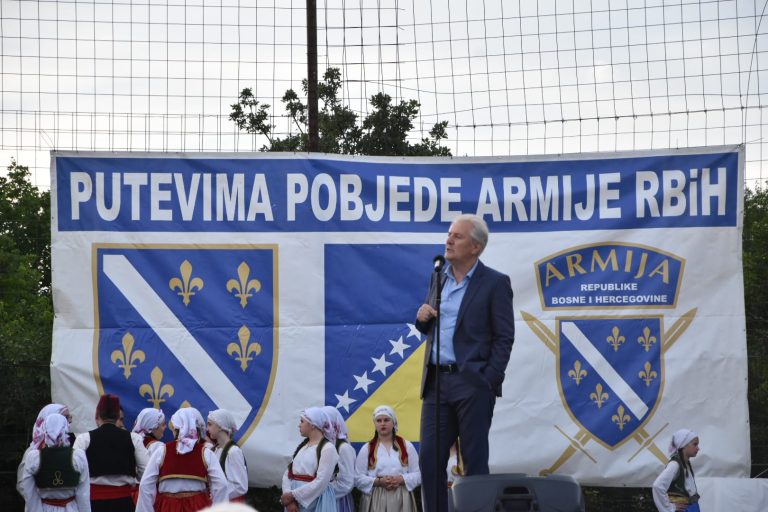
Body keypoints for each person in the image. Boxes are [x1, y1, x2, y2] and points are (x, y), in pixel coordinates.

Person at [415, 213, 515, 512]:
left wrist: (489, 379)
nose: (448, 240)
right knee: (430, 459)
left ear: (476, 247)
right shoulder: (438, 277)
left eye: (457, 236)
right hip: (436, 383)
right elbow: (431, 325)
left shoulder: (495, 283)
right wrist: (421, 320)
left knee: (473, 460)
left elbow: (504, 337)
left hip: (473, 383)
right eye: (449, 234)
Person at [136, 407, 229, 512]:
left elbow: (145, 485)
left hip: (168, 506)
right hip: (198, 506)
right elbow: (222, 486)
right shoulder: (206, 452)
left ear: (177, 429)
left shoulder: (162, 451)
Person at [73, 393, 149, 512]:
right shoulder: (134, 439)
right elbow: (145, 470)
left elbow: (75, 471)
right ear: (118, 416)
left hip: (93, 504)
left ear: (97, 416)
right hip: (123, 503)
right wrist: (133, 479)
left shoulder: (84, 439)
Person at [354, 405, 421, 512]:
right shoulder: (367, 448)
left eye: (386, 420)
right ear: (375, 424)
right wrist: (379, 481)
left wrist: (401, 479)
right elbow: (357, 478)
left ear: (393, 422)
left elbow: (418, 474)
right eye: (379, 420)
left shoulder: (407, 446)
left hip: (402, 496)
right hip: (376, 498)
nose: (382, 423)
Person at [19, 413, 91, 512]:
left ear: (45, 429)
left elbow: (30, 494)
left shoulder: (33, 458)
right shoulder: (78, 457)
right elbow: (83, 495)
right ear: (65, 428)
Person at [281, 407, 339, 512]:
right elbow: (288, 473)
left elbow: (321, 480)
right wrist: (289, 498)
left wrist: (294, 496)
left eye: (302, 421)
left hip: (315, 501)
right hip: (294, 501)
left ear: (312, 425)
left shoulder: (328, 448)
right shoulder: (303, 447)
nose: (299, 425)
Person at [17, 404, 75, 499]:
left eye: (69, 417)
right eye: (65, 417)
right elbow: (22, 485)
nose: (70, 421)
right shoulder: (33, 451)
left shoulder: (73, 448)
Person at [652, 429, 701, 512]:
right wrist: (669, 508)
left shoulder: (686, 464)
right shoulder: (675, 465)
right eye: (695, 444)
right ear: (684, 445)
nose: (698, 448)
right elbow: (657, 486)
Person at [207, 409, 248, 503]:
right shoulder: (214, 450)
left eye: (210, 424)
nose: (207, 428)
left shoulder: (233, 452)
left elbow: (240, 486)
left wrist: (216, 495)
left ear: (220, 426)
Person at [322, 405, 356, 512]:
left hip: (336, 502)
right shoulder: (319, 446)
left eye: (325, 424)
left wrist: (319, 491)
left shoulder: (343, 448)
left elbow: (347, 483)